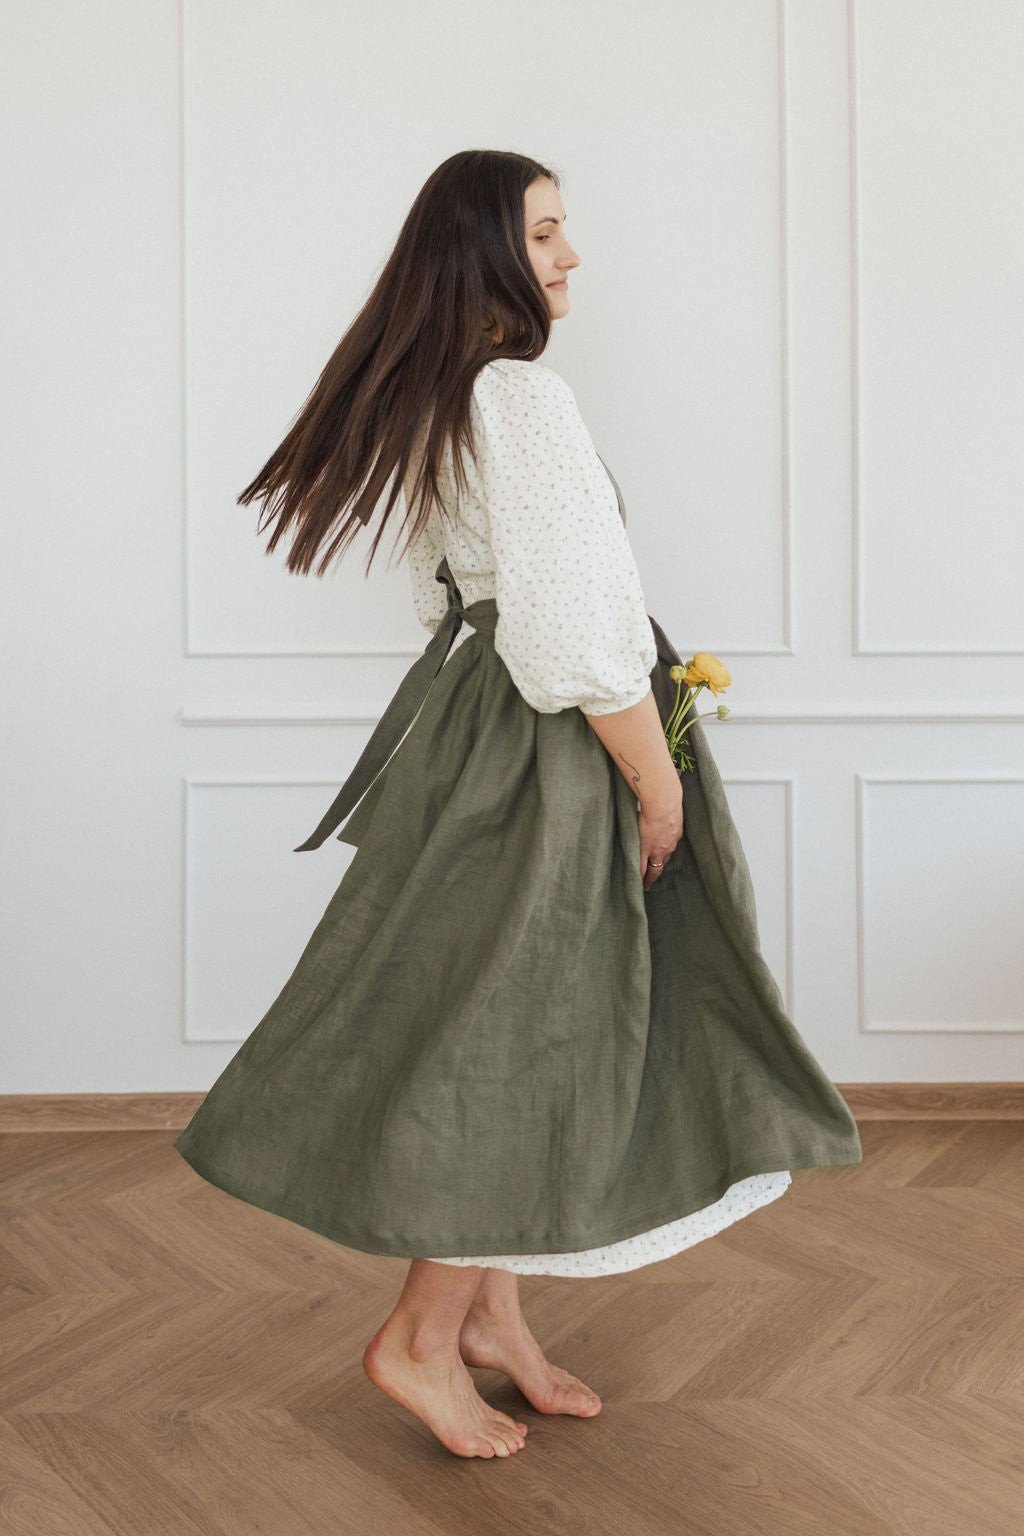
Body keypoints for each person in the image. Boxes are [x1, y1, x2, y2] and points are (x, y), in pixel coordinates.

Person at [174, 149, 862, 1461]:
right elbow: (568, 629)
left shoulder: (450, 396)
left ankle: (490, 1323)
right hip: (552, 747)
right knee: (526, 1031)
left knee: (506, 1017)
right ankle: (418, 1340)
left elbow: (467, 606)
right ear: (482, 250)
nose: (570, 254)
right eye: (545, 231)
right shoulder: (521, 398)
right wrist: (653, 774)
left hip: (482, 737)